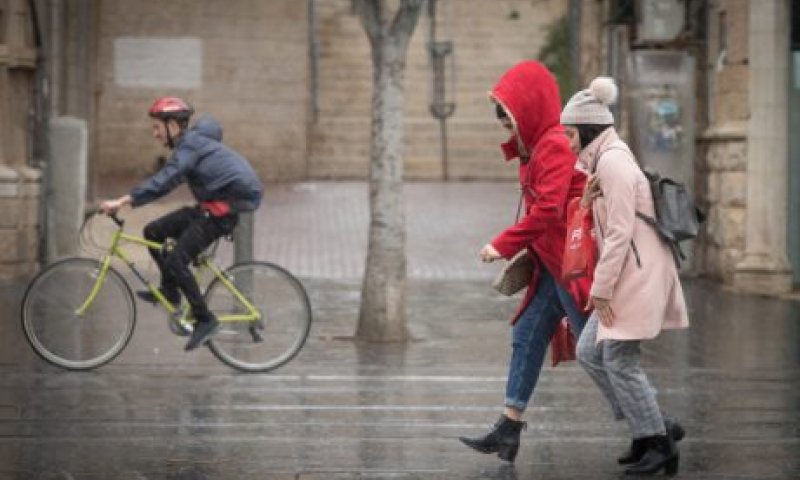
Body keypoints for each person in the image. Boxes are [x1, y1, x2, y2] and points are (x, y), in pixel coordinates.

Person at [458, 61, 592, 462]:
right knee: (527, 337)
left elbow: (549, 210)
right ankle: (508, 427)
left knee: (600, 352)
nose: (508, 128)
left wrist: (502, 244)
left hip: (570, 263)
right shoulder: (535, 145)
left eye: (510, 119)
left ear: (529, 109)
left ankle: (654, 426)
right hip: (553, 264)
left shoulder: (551, 144)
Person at [561, 77, 689, 476]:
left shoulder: (613, 162)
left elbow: (618, 232)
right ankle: (650, 425)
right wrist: (589, 198)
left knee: (617, 358)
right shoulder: (606, 159)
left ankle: (657, 442)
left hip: (634, 273)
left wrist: (600, 289)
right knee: (589, 352)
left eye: (570, 134)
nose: (567, 143)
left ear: (586, 130)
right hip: (628, 271)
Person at [99, 97, 264, 351]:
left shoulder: (191, 147)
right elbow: (167, 182)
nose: (155, 134)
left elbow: (165, 179)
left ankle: (205, 319)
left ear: (173, 126)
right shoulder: (189, 148)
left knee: (177, 259)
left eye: (157, 128)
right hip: (210, 207)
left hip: (222, 211)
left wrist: (124, 200)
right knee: (153, 231)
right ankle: (170, 292)